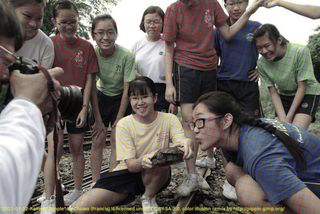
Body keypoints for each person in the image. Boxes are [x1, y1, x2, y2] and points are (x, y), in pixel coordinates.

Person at [162, 0, 264, 197]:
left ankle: (210, 157)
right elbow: (168, 47)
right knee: (190, 119)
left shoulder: (211, 4)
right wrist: (169, 82)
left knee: (213, 117)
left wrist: (249, 12)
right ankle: (191, 175)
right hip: (186, 67)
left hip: (210, 68)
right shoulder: (173, 10)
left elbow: (227, 33)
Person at [70, 76, 193, 214]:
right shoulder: (124, 124)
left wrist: (185, 143)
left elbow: (180, 143)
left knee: (160, 157)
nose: (140, 102)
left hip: (156, 174)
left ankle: (148, 197)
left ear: (155, 98)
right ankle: (130, 197)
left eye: (145, 96)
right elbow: (132, 166)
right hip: (127, 173)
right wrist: (143, 160)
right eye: (135, 98)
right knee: (81, 209)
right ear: (130, 101)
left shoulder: (169, 119)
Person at [191, 91, 320, 213]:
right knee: (232, 170)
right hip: (305, 177)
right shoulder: (239, 135)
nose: (195, 130)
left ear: (226, 121)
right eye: (193, 124)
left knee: (247, 190)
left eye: (200, 121)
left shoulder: (260, 154)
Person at [0, 2, 63, 211]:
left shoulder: (45, 44)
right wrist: (27, 105)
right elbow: (6, 174)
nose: (6, 75)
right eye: (3, 58)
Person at [42, 0, 100, 208]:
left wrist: (85, 108)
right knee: (54, 149)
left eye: (73, 21)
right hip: (55, 104)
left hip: (77, 103)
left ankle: (76, 190)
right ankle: (50, 192)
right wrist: (52, 108)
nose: (69, 26)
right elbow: (46, 76)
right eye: (64, 22)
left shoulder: (86, 47)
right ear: (54, 22)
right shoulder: (49, 43)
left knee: (76, 147)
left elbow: (89, 80)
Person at [212, 0, 262, 201]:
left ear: (247, 3)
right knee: (225, 130)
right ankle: (230, 177)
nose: (235, 7)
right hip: (224, 83)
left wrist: (261, 68)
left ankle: (251, 173)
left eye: (239, 2)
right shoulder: (219, 29)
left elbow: (269, 49)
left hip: (247, 85)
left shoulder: (255, 27)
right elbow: (213, 56)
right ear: (225, 6)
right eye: (230, 3)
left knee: (250, 128)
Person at [91, 14, 136, 171]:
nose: (105, 37)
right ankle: (95, 182)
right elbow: (90, 86)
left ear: (116, 34)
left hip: (121, 99)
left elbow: (126, 90)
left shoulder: (127, 55)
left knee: (117, 140)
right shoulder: (93, 53)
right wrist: (97, 118)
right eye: (100, 32)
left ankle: (111, 179)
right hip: (101, 97)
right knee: (98, 140)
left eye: (110, 32)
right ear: (93, 35)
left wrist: (118, 120)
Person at [254, 24, 320, 130]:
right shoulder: (261, 64)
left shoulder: (300, 51)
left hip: (307, 92)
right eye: (259, 48)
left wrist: (288, 118)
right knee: (281, 132)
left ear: (279, 40)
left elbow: (302, 87)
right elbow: (273, 93)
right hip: (284, 94)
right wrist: (284, 119)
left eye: (267, 46)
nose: (264, 51)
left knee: (296, 132)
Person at [131, 6, 177, 114]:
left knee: (162, 127)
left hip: (163, 91)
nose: (152, 25)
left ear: (163, 23)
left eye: (156, 21)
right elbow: (130, 70)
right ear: (143, 23)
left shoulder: (170, 44)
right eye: (148, 22)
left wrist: (174, 102)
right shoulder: (137, 45)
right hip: (141, 90)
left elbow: (176, 73)